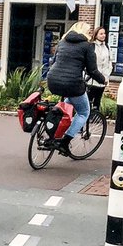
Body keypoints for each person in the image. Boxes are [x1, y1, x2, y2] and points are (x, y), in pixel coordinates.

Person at [45, 20, 106, 155]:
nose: (91, 34)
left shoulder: (62, 42)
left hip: (53, 80)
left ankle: (52, 135)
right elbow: (92, 70)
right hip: (72, 83)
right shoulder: (87, 46)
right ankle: (64, 142)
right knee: (84, 112)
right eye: (89, 31)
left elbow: (54, 61)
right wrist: (103, 80)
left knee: (67, 104)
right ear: (84, 32)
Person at [87, 26, 113, 111]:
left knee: (98, 100)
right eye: (101, 34)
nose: (103, 35)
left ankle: (96, 118)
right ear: (96, 35)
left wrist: (107, 74)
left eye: (104, 33)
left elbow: (109, 61)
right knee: (89, 99)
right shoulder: (91, 46)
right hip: (92, 79)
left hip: (104, 78)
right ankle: (88, 118)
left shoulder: (107, 47)